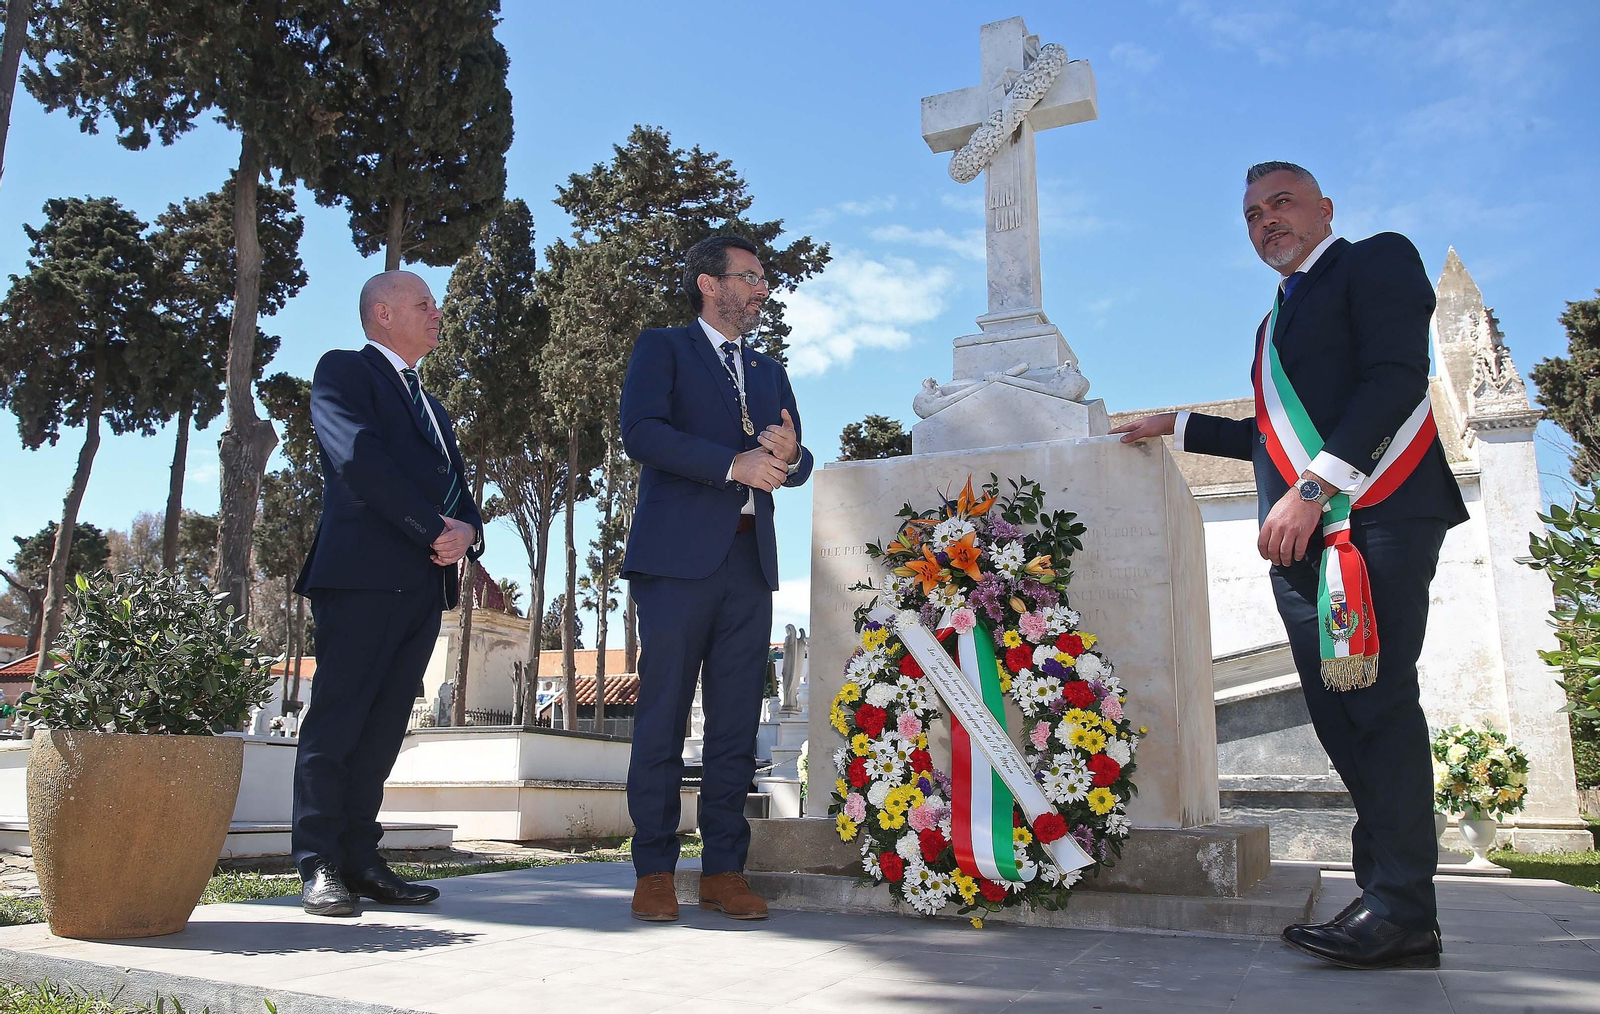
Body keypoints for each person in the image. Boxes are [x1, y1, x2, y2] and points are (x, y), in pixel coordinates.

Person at [1112, 162, 1466, 970]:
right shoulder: (1273, 323)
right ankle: (1389, 898)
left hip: (1368, 526)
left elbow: (1394, 381)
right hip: (1305, 542)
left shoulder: (1375, 259)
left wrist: (1313, 488)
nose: (1265, 221)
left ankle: (1404, 905)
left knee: (1378, 708)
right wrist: (1180, 422)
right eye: (1251, 214)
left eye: (1281, 204)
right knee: (1345, 717)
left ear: (1323, 209)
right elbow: (1267, 437)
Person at [619, 235, 814, 922]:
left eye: (764, 280)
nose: (763, 290)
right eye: (750, 277)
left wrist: (792, 455)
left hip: (748, 564)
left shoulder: (769, 368)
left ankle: (726, 869)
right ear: (710, 283)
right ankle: (654, 872)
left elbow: (800, 456)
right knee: (663, 718)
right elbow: (640, 432)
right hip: (674, 564)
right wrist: (731, 465)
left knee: (736, 724)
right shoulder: (663, 348)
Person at [291, 270, 484, 917]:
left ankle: (361, 859)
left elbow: (456, 487)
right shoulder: (344, 372)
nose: (437, 313)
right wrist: (433, 529)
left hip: (422, 586)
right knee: (339, 720)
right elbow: (360, 460)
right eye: (423, 304)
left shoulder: (433, 405)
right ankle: (318, 862)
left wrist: (468, 533)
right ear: (382, 313)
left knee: (381, 731)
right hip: (361, 577)